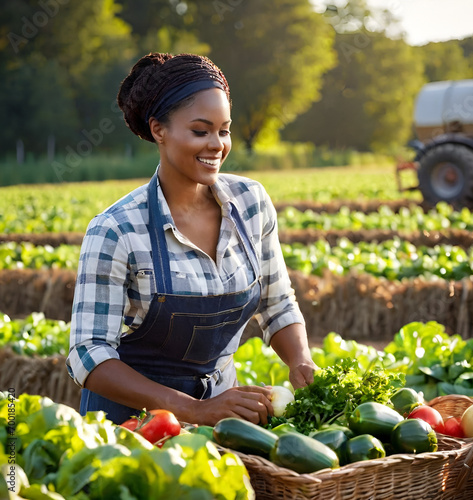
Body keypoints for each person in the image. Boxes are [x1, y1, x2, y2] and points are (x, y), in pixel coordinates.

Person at [66, 52, 317, 427]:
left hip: (222, 414)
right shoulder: (116, 229)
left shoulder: (251, 204)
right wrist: (191, 409)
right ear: (158, 130)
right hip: (134, 424)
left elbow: (277, 304)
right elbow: (88, 354)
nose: (216, 144)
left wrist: (301, 361)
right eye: (200, 131)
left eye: (224, 130)